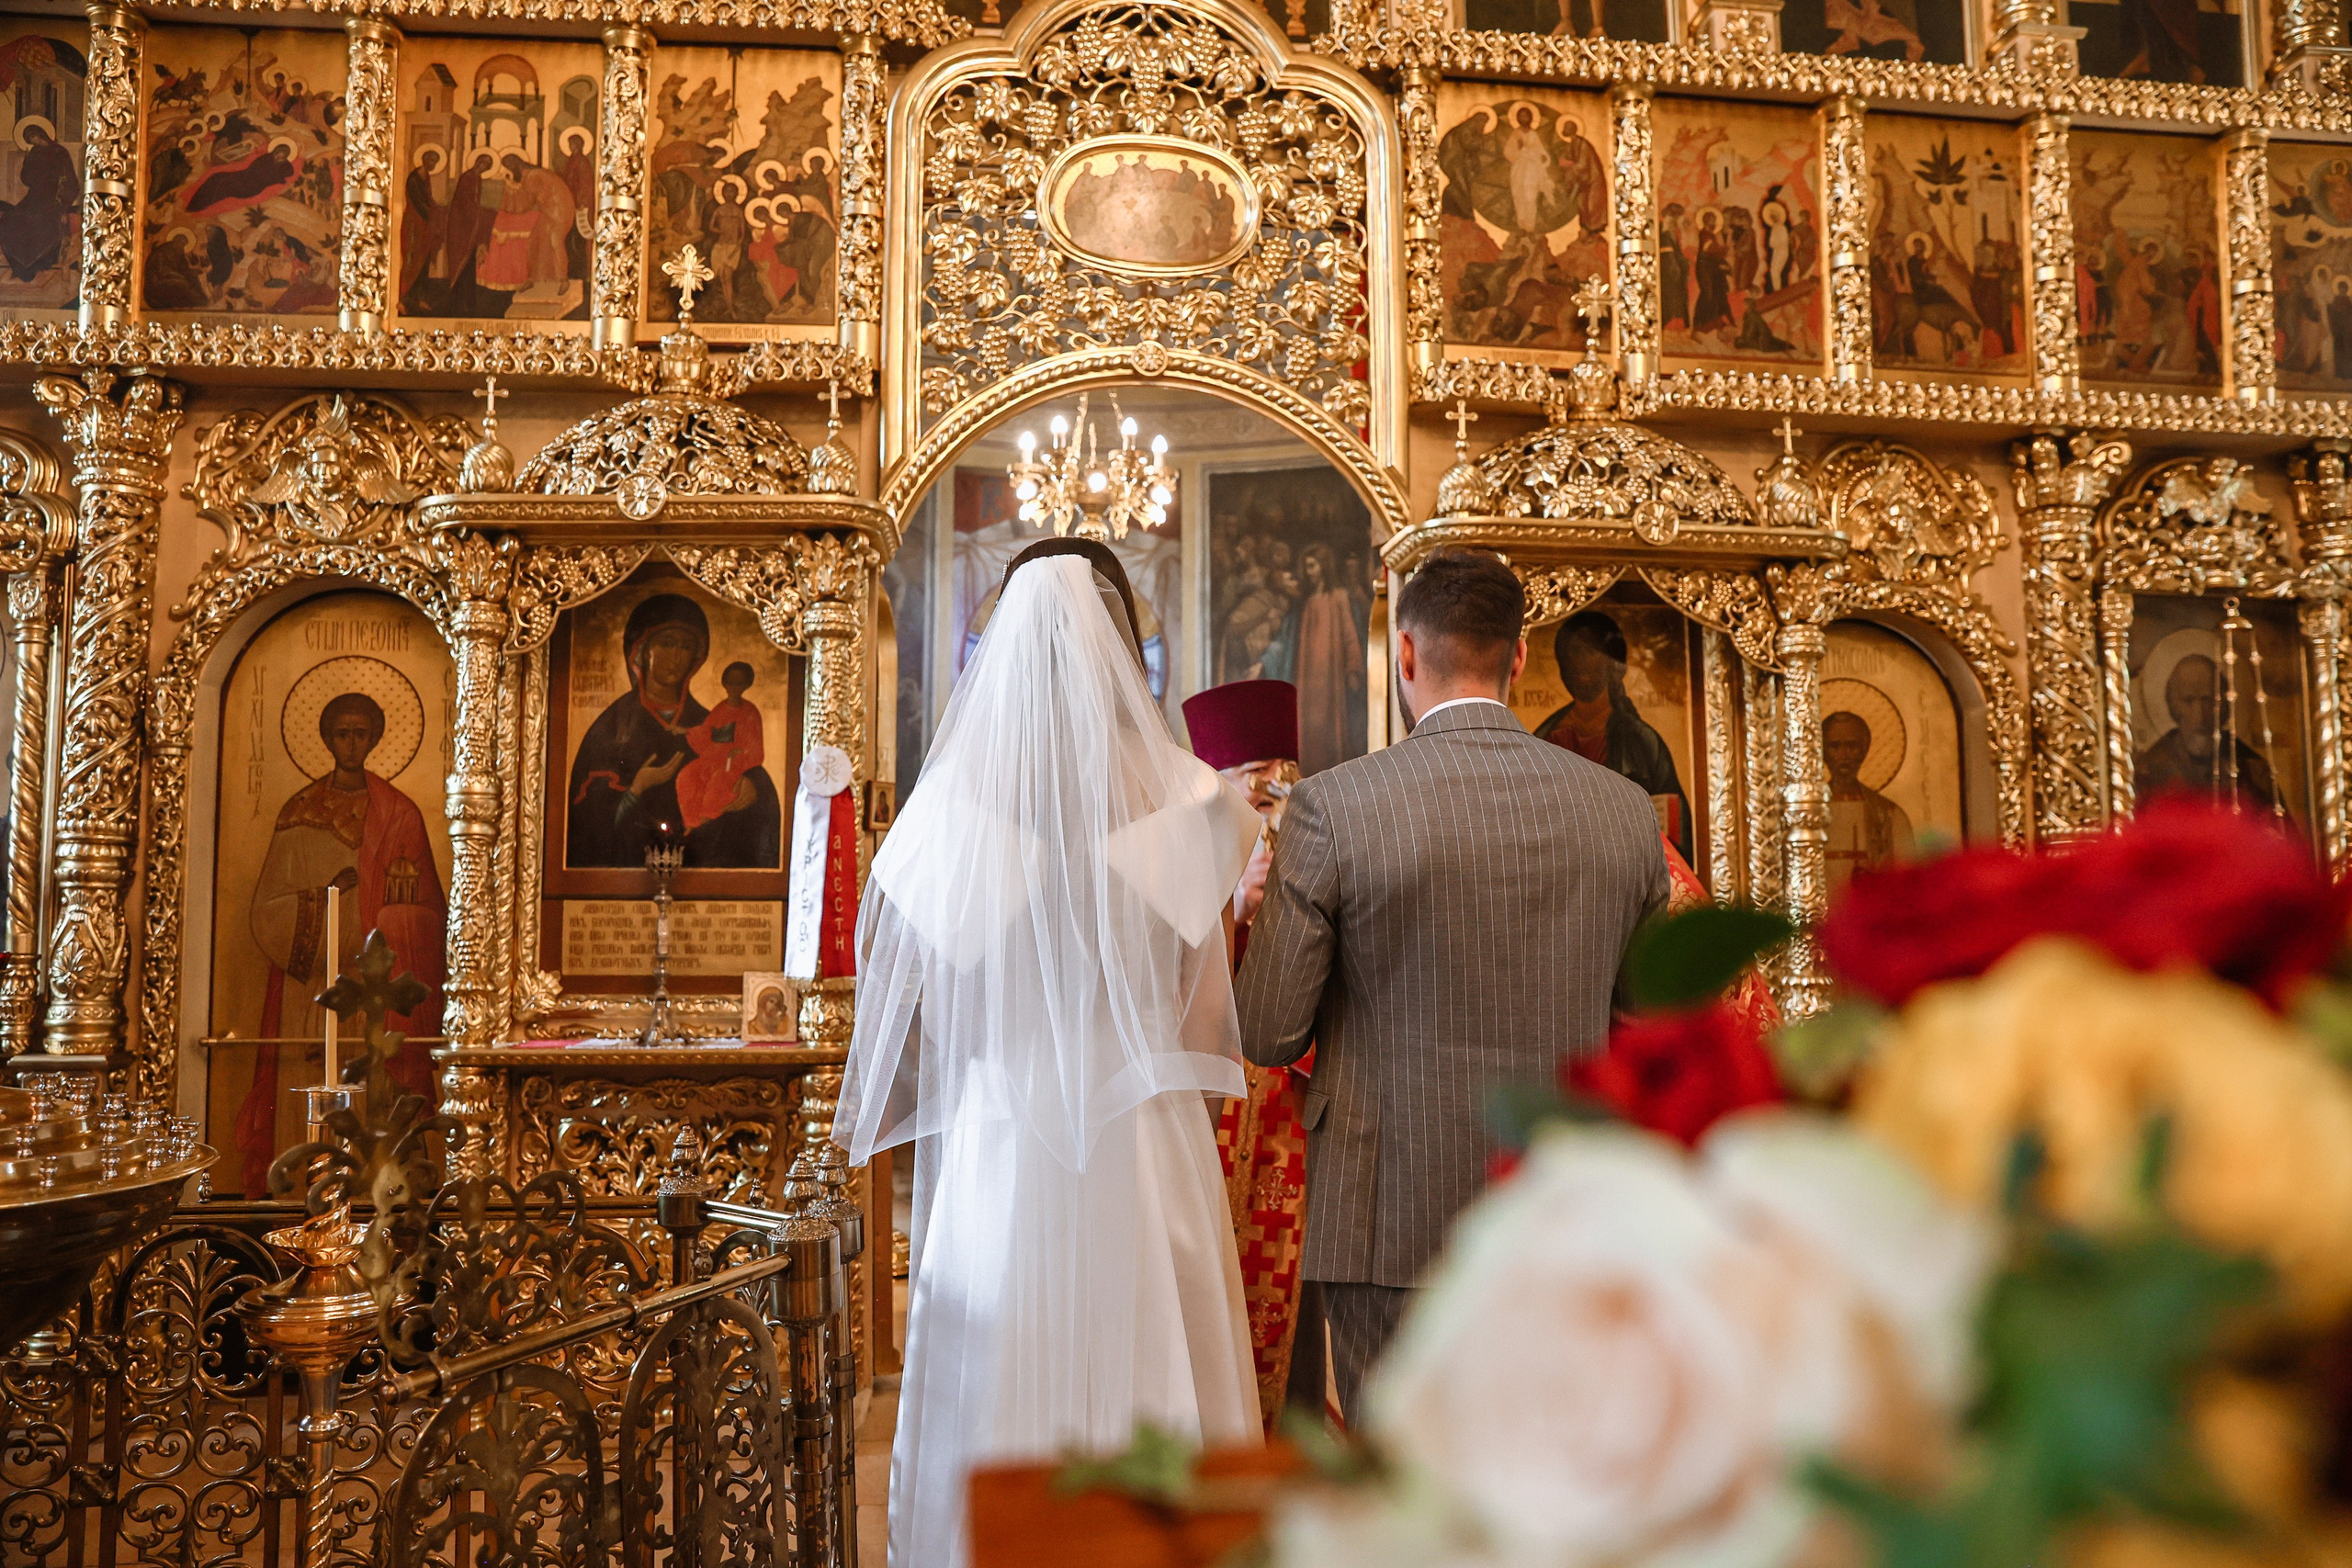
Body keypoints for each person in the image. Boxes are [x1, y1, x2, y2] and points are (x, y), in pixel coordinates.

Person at [837, 537, 1262, 1568]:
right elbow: (1209, 1019)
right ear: (1126, 646)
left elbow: (917, 1012)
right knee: (1156, 1355)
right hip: (1147, 1125)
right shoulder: (1197, 799)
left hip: (1000, 1132)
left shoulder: (947, 816)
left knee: (1000, 1360)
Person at [1236, 550, 1668, 1415]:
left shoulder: (1336, 806)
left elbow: (1268, 1031)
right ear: (1516, 659)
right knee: (1553, 1473)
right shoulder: (1624, 808)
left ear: (1404, 654)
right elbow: (1652, 1022)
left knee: (1404, 1484)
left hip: (1387, 1216)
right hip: (1562, 1207)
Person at [1185, 677, 1326, 1430]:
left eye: (1283, 780)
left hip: (1294, 1104)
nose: (1273, 797)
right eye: (1256, 782)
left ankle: (1294, 1436)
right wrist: (1234, 906)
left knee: (1295, 1285)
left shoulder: (1317, 833)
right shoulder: (1189, 843)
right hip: (1213, 1099)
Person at [237, 692, 447, 1196]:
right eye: (341, 733)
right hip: (310, 988)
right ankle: (301, 1202)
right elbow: (266, 909)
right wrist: (327, 897)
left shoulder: (400, 813)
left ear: (374, 739)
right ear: (327, 738)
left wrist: (397, 914)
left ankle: (379, 1199)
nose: (351, 744)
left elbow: (434, 917)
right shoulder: (299, 810)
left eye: (361, 734)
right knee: (311, 1087)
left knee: (370, 1092)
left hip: (376, 992)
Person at [566, 593, 782, 868]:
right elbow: (584, 823)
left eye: (686, 647)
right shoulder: (612, 726)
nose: (677, 656)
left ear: (697, 658)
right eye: (667, 644)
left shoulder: (708, 720)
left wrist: (754, 789)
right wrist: (636, 789)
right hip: (628, 877)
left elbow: (745, 763)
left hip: (707, 879)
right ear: (641, 652)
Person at [1535, 609, 1693, 862]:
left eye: (1589, 651)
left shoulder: (1642, 741)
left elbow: (1675, 831)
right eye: (1571, 653)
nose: (1578, 662)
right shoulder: (1546, 737)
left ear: (1614, 665)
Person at [1822, 709, 1916, 897]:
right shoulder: (1806, 813)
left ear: (1864, 750)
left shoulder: (1888, 814)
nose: (1844, 755)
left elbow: (1908, 876)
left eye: (1852, 746)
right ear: (1822, 751)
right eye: (1835, 746)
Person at [675, 661, 763, 834]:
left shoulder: (750, 712)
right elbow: (706, 732)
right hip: (713, 758)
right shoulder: (721, 709)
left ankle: (706, 817)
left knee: (718, 782)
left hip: (735, 763)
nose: (734, 687)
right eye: (730, 682)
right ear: (724, 683)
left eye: (739, 683)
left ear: (747, 684)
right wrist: (685, 731)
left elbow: (755, 746)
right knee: (686, 776)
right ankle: (691, 821)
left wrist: (741, 752)